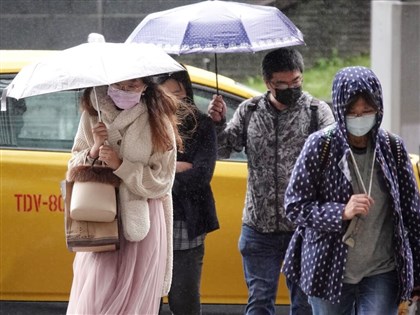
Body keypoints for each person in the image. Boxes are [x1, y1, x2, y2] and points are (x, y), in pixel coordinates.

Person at [282, 66, 420, 314]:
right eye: (352, 113)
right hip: (327, 267)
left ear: (378, 109)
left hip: (382, 269)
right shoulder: (320, 146)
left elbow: (412, 214)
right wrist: (340, 212)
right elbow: (294, 206)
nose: (360, 119)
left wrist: (417, 272)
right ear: (338, 109)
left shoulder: (393, 149)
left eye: (367, 112)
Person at [208, 47, 335, 315]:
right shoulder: (250, 110)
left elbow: (334, 159)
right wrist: (217, 123)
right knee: (260, 300)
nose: (291, 88)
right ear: (268, 82)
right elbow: (223, 148)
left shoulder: (316, 112)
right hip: (258, 226)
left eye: (296, 82)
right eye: (282, 84)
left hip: (302, 227)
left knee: (303, 305)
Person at [66, 77, 182, 314]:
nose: (124, 91)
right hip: (99, 216)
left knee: (134, 300)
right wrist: (94, 148)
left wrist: (121, 165)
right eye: (119, 85)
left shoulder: (158, 120)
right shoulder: (92, 112)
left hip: (141, 218)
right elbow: (72, 168)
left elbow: (162, 181)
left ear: (145, 87)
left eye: (132, 86)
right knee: (96, 297)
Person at [156, 69, 219, 315]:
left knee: (184, 299)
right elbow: (137, 169)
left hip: (186, 223)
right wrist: (176, 168)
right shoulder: (146, 124)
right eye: (165, 93)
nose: (173, 99)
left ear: (187, 91)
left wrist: (161, 175)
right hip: (149, 220)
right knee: (145, 298)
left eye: (178, 92)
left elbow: (202, 175)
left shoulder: (201, 124)